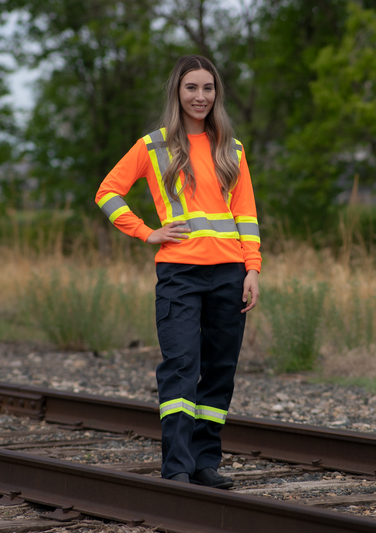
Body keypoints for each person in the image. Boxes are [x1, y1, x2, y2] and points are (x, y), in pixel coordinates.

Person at [95, 55, 261, 489]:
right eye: (192, 88)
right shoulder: (153, 145)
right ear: (177, 92)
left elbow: (245, 214)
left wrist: (253, 268)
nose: (200, 97)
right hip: (180, 275)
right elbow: (108, 192)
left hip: (229, 274)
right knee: (183, 366)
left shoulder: (232, 148)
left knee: (220, 368)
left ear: (216, 94)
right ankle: (178, 468)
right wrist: (146, 233)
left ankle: (206, 463)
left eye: (208, 88)